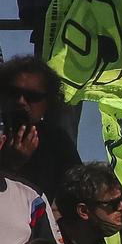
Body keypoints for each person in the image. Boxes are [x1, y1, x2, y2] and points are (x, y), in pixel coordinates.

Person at [0, 57, 81, 199]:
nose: (21, 101)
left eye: (32, 96)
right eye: (13, 93)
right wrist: (9, 166)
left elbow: (78, 192)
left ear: (48, 102)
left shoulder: (57, 140)